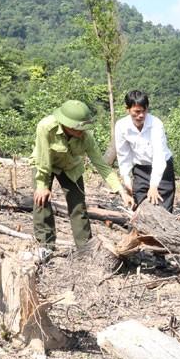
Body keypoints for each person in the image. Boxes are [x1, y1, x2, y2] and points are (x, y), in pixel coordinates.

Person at [32, 100, 133, 250]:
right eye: (78, 128)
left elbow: (102, 165)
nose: (81, 131)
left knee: (78, 207)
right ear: (66, 123)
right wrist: (42, 185)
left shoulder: (86, 137)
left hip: (71, 168)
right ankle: (45, 246)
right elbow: (43, 159)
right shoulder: (46, 127)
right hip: (44, 164)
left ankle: (86, 248)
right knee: (41, 201)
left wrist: (121, 191)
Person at [114, 90, 176, 212]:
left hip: (162, 169)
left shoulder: (156, 124)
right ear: (127, 109)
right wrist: (126, 179)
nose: (141, 115)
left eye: (144, 111)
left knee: (163, 208)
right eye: (137, 112)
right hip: (140, 169)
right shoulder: (121, 126)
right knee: (139, 206)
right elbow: (123, 154)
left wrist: (154, 185)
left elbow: (159, 156)